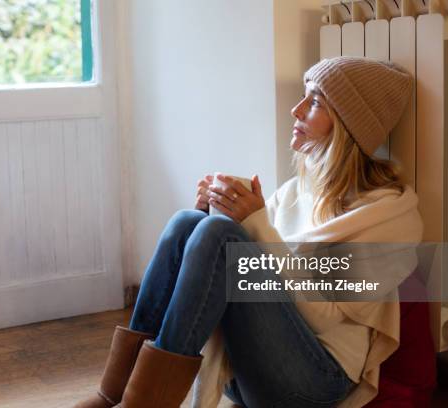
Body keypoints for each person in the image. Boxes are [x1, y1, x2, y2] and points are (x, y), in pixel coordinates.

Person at [73, 56, 422, 408]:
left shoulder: (384, 217)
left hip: (314, 383)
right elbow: (242, 271)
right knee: (188, 224)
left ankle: (143, 405)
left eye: (315, 102)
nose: (296, 110)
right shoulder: (296, 192)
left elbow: (324, 317)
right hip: (248, 371)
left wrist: (254, 224)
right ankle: (112, 395)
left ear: (349, 125)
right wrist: (210, 213)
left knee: (219, 235)